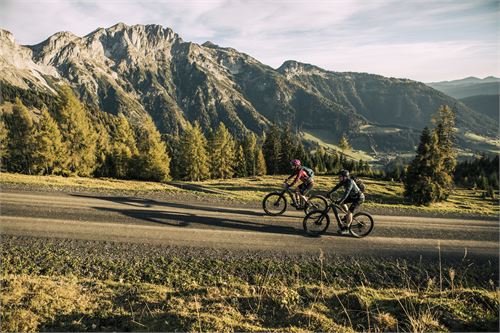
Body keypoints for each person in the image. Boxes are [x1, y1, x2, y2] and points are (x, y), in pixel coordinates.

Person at [327, 169, 365, 234]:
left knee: (350, 212)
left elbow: (346, 193)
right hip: (353, 196)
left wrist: (341, 200)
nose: (339, 178)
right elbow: (336, 187)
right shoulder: (343, 181)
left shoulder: (350, 182)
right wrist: (329, 193)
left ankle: (347, 229)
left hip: (359, 198)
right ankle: (347, 216)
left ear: (345, 177)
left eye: (340, 176)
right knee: (342, 204)